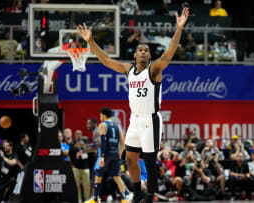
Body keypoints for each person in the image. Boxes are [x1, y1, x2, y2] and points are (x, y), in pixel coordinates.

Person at [77, 7, 189, 203]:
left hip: (150, 120)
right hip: (135, 120)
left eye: (146, 50)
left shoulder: (154, 70)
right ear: (135, 55)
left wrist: (178, 28)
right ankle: (137, 192)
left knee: (149, 162)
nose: (143, 52)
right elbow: (105, 60)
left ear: (149, 56)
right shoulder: (128, 69)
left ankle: (150, 197)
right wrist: (90, 41)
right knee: (129, 159)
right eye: (140, 50)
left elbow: (169, 53)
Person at [85, 107, 129, 203]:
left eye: (100, 115)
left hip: (106, 154)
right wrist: (119, 155)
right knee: (117, 177)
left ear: (104, 115)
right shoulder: (118, 126)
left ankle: (95, 199)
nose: (100, 117)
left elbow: (103, 142)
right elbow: (122, 144)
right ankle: (125, 198)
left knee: (98, 176)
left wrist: (102, 157)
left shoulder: (102, 125)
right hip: (115, 155)